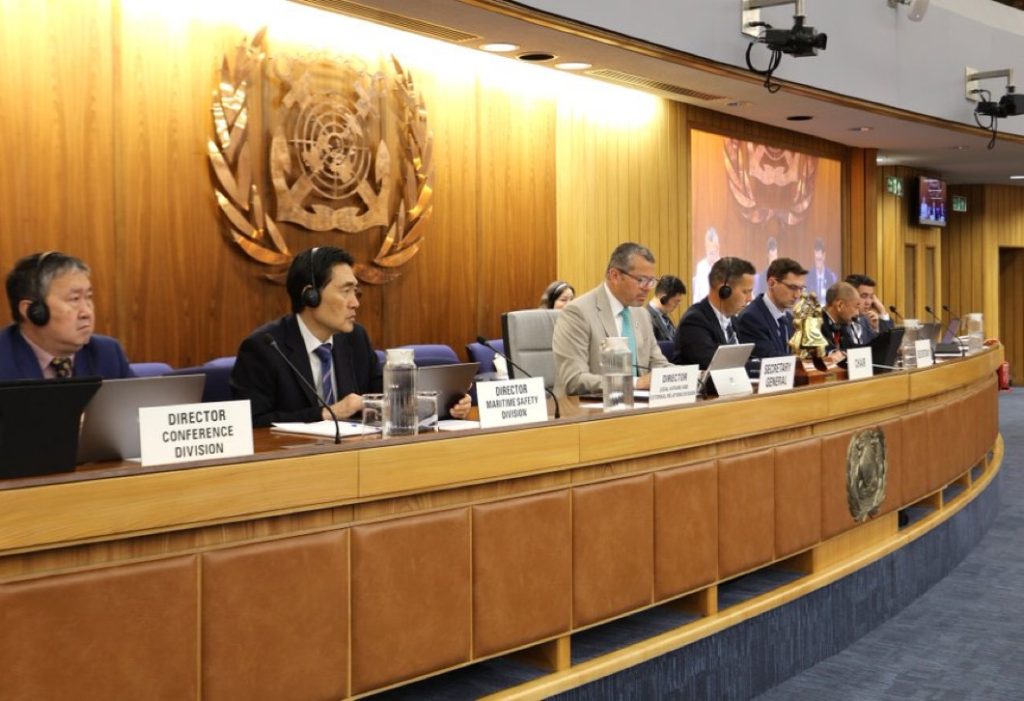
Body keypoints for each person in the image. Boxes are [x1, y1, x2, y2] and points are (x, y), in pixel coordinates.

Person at [231, 246, 470, 427]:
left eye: (356, 292)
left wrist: (446, 406)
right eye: (346, 291)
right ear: (310, 296)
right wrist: (326, 413)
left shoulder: (355, 338)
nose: (355, 303)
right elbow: (251, 422)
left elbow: (384, 393)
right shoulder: (265, 348)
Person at [552, 242, 671, 397]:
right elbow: (574, 380)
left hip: (639, 406)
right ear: (615, 276)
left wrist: (695, 377)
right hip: (588, 408)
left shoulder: (642, 315)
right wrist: (635, 383)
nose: (648, 288)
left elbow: (659, 365)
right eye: (641, 280)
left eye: (652, 281)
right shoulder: (577, 312)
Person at [0, 251, 132, 380]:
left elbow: (136, 395)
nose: (86, 313)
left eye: (88, 297)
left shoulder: (107, 353)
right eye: (74, 299)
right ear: (33, 311)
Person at [673, 257, 756, 369]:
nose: (750, 298)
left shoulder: (733, 321)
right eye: (745, 292)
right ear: (724, 291)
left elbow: (745, 360)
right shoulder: (694, 322)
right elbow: (716, 365)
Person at [735, 257, 808, 360]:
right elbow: (769, 358)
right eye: (792, 288)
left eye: (801, 289)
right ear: (771, 283)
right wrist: (803, 359)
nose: (797, 295)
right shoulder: (750, 318)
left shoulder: (790, 319)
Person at [844, 273, 893, 345]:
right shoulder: (841, 321)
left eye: (871, 297)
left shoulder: (867, 320)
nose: (869, 302)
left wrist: (882, 311)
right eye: (864, 296)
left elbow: (889, 345)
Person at [821, 281, 862, 357]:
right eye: (856, 307)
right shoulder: (817, 324)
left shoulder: (841, 325)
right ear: (840, 305)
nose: (857, 313)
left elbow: (851, 348)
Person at [646, 275, 686, 342]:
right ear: (664, 298)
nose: (677, 305)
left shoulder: (665, 316)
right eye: (676, 301)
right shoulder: (647, 317)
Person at [691, 227, 720, 303]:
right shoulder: (700, 267)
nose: (711, 251)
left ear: (718, 247)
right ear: (705, 247)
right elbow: (696, 296)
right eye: (708, 248)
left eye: (714, 248)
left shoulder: (725, 267)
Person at [808, 237, 837, 302]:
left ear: (824, 256)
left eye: (819, 259)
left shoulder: (832, 277)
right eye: (816, 259)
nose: (817, 263)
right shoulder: (809, 277)